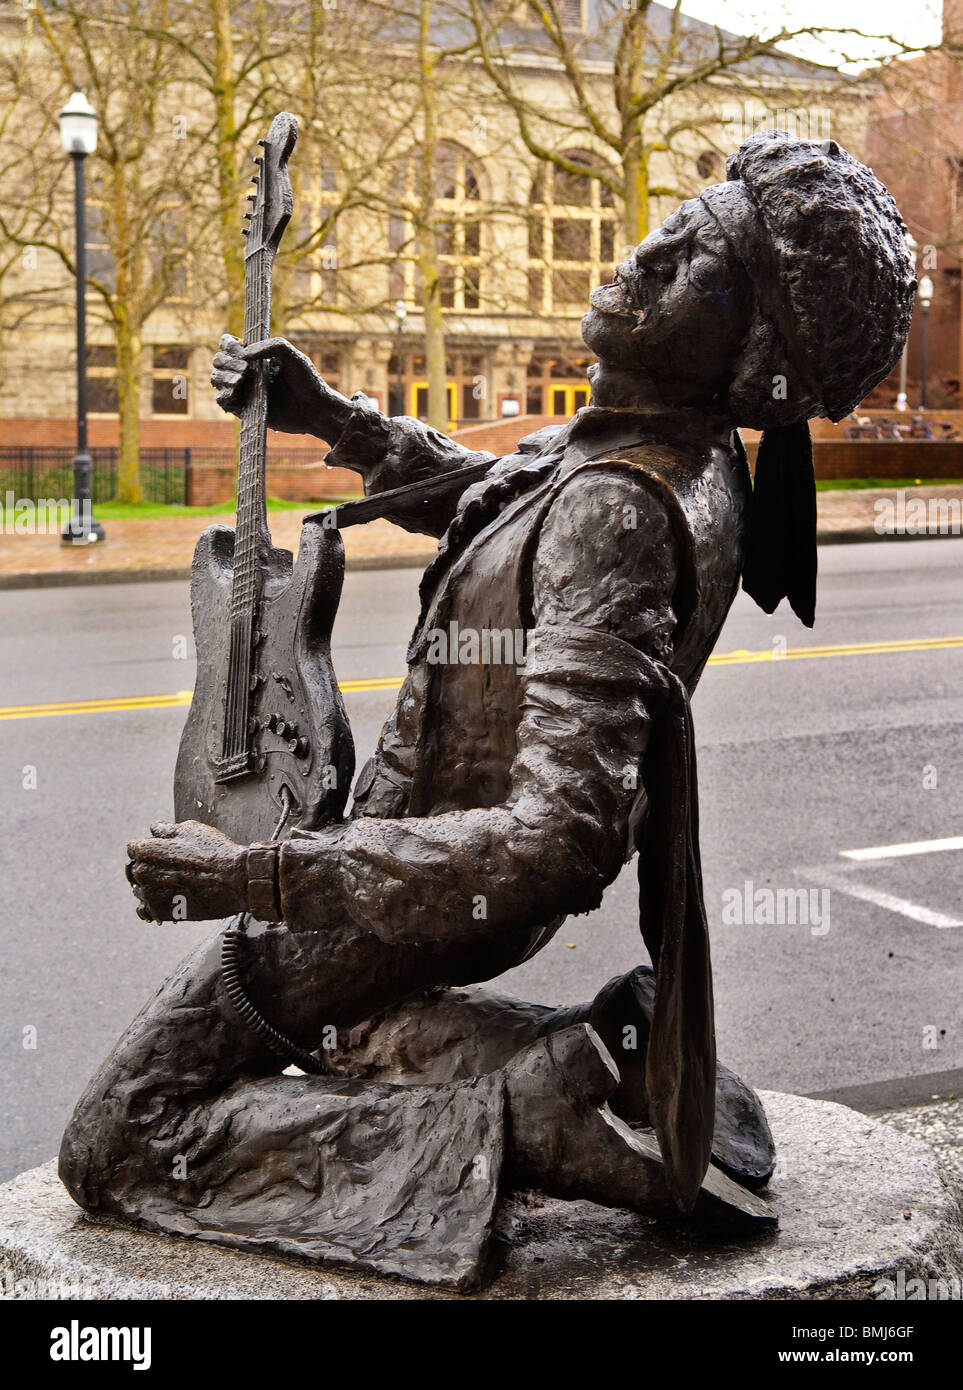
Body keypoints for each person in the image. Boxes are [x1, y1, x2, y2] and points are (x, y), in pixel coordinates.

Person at [60, 132, 915, 1290]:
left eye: (700, 269)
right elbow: (493, 494)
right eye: (678, 220)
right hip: (409, 874)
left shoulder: (621, 507)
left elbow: (561, 842)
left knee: (125, 1133)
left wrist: (253, 876)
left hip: (408, 885)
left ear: (749, 356)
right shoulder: (649, 446)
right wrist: (337, 418)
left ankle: (514, 1122)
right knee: (349, 1035)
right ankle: (561, 1068)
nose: (652, 249)